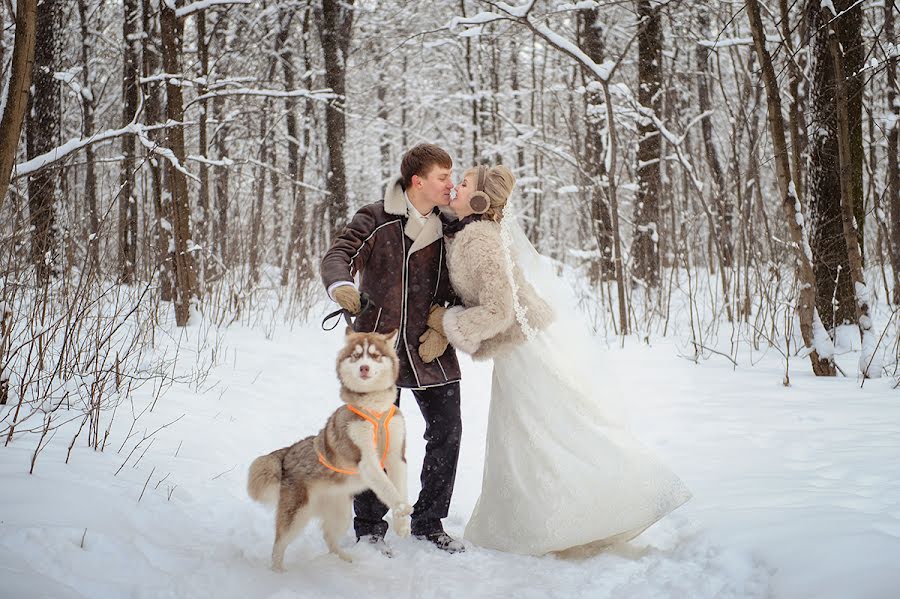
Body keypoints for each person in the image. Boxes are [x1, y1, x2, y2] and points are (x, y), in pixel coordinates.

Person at [423, 164, 691, 556]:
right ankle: (544, 516)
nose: (455, 189)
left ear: (480, 200)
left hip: (521, 349)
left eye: (463, 185)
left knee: (540, 427)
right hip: (516, 346)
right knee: (529, 429)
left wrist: (445, 323)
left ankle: (596, 506)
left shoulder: (479, 239)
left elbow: (499, 310)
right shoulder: (470, 229)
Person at [321, 143, 466, 554]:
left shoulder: (453, 223)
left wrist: (451, 322)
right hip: (379, 346)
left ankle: (429, 520)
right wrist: (342, 285)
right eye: (443, 177)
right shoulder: (376, 217)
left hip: (430, 345)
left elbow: (469, 279)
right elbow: (339, 253)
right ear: (418, 181)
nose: (450, 184)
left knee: (448, 431)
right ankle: (369, 527)